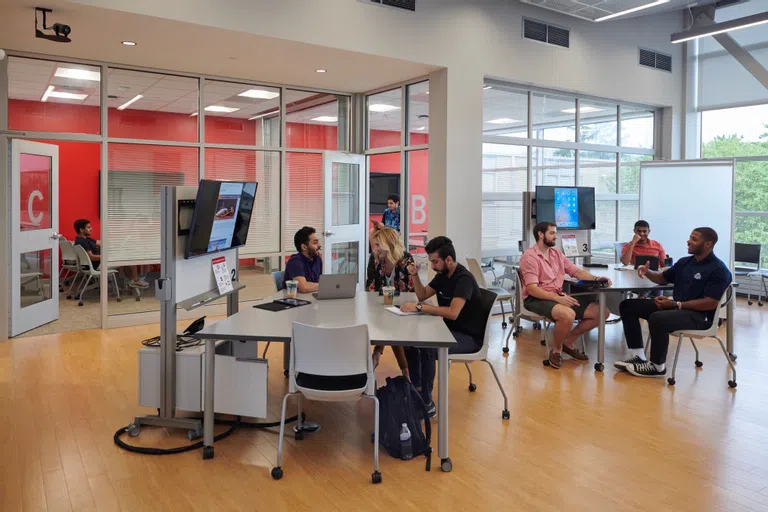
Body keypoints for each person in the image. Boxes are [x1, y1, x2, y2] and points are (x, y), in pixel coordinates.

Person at [615, 227, 732, 378]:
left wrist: (676, 304)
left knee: (658, 318)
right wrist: (647, 272)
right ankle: (638, 355)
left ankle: (657, 367)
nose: (688, 241)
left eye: (694, 239)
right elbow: (663, 278)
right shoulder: (685, 262)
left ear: (708, 244)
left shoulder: (718, 270)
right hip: (677, 308)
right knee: (628, 305)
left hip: (700, 317)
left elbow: (710, 303)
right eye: (690, 237)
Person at [399, 236, 486, 417]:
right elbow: (422, 295)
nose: (432, 266)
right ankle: (416, 389)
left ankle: (426, 402)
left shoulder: (464, 279)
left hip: (469, 337)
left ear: (448, 259)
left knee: (429, 347)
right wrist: (414, 276)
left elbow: (453, 313)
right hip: (449, 330)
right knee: (411, 341)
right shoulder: (442, 275)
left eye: (435, 261)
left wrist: (420, 308)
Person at [518, 222, 612, 370]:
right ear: (541, 235)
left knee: (602, 312)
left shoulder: (557, 254)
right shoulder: (529, 257)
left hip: (557, 295)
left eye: (556, 233)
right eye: (552, 233)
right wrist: (557, 298)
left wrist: (596, 278)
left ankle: (568, 341)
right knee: (567, 314)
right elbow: (532, 289)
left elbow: (576, 271)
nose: (556, 236)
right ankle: (556, 350)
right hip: (536, 298)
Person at [366, 227, 413, 379]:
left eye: (378, 245)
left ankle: (378, 354)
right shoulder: (374, 259)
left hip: (403, 308)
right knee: (386, 320)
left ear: (388, 244)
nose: (375, 249)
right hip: (380, 306)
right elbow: (371, 287)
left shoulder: (406, 260)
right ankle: (405, 371)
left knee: (391, 323)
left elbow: (411, 291)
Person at [73, 219, 147, 288]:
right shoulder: (83, 242)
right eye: (88, 227)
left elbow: (100, 243)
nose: (91, 229)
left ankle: (133, 279)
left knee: (125, 257)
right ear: (81, 230)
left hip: (93, 265)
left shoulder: (82, 239)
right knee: (129, 257)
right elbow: (92, 257)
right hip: (98, 266)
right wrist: (107, 256)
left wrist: (115, 243)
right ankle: (135, 280)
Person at [284, 226, 323, 293]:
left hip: (312, 297)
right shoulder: (295, 262)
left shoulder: (317, 259)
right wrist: (326, 286)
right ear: (304, 247)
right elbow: (304, 287)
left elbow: (317, 283)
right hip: (294, 299)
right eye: (315, 243)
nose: (319, 245)